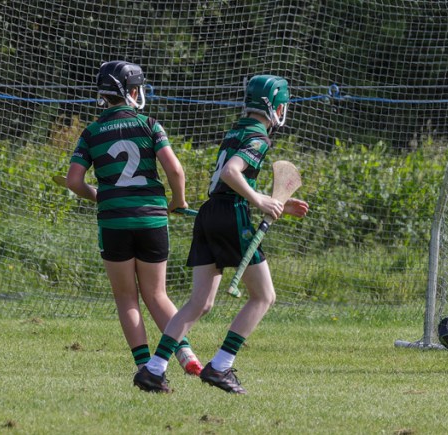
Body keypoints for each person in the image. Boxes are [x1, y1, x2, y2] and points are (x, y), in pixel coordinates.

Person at [134, 74, 309, 394]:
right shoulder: (258, 137)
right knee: (264, 296)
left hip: (210, 213)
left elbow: (230, 182)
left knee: (200, 302)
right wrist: (260, 201)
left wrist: (275, 203)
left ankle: (154, 370)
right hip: (230, 215)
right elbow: (231, 173)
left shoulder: (236, 130)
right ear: (275, 107)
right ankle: (220, 366)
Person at [66, 61, 201, 376]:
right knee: (157, 294)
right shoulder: (150, 124)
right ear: (133, 92)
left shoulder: (91, 132)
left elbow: (73, 181)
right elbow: (175, 169)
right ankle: (186, 354)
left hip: (114, 221)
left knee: (127, 297)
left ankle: (145, 368)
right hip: (151, 218)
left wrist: (99, 195)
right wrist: (178, 201)